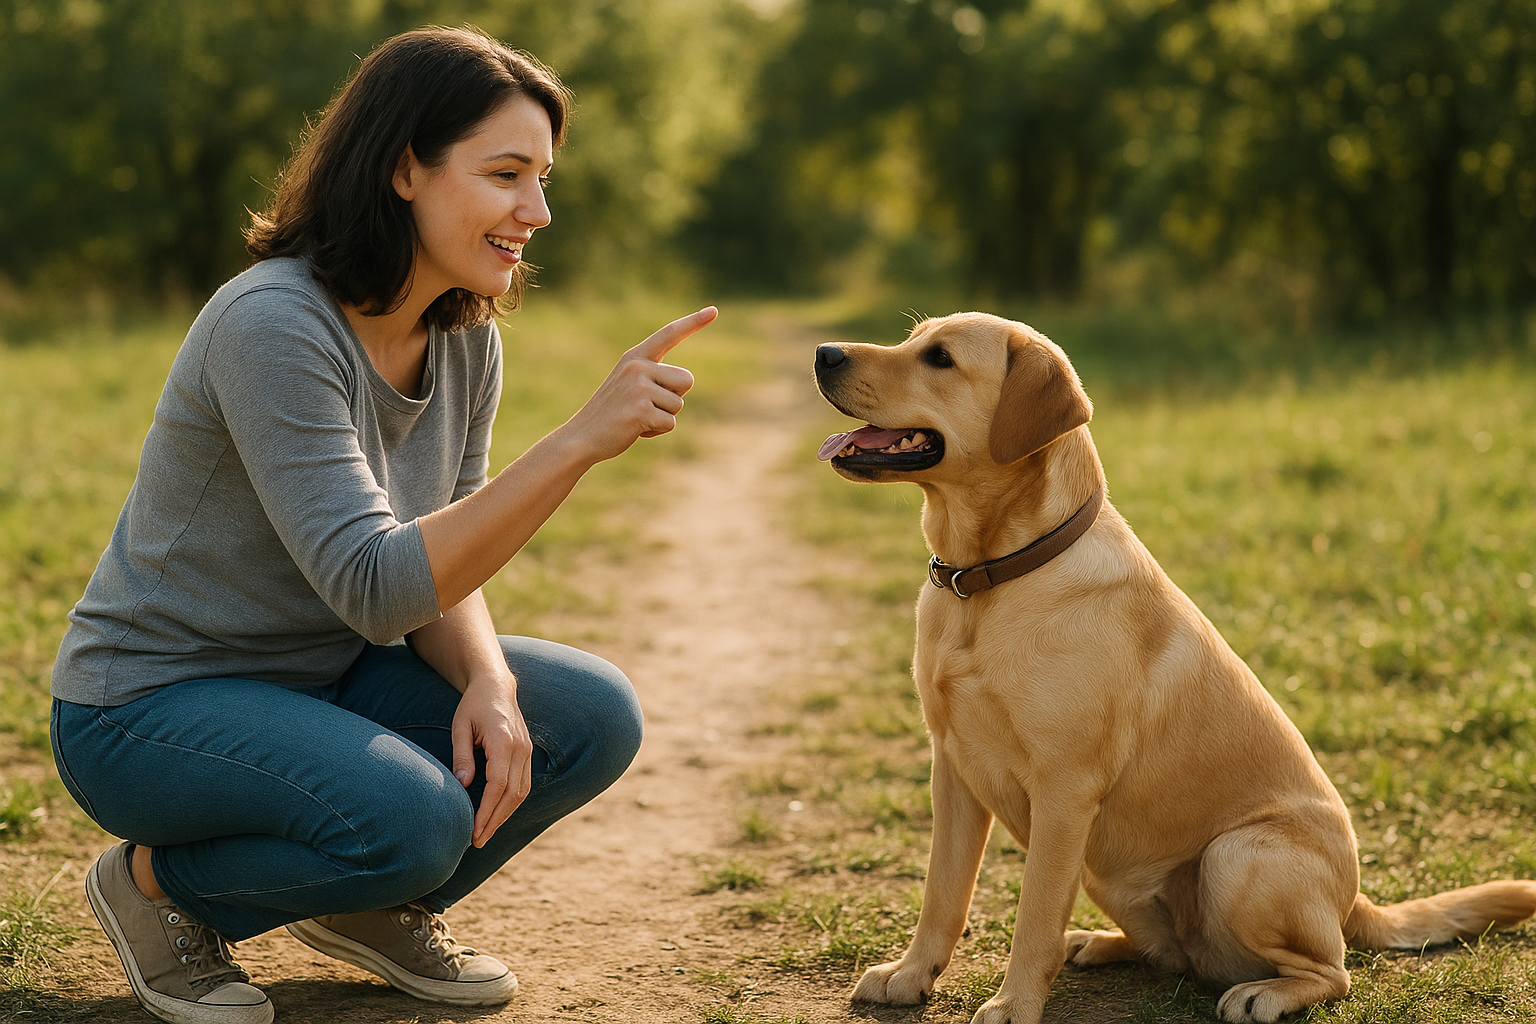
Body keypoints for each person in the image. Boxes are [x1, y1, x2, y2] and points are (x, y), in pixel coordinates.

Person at [48, 26, 716, 1024]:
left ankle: (372, 904)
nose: (536, 211)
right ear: (406, 166)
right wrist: (577, 441)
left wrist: (489, 681)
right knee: (414, 818)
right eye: (506, 174)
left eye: (541, 178)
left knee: (585, 715)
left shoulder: (464, 338)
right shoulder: (272, 323)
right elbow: (375, 581)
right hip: (148, 707)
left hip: (320, 681)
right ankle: (154, 889)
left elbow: (441, 560)